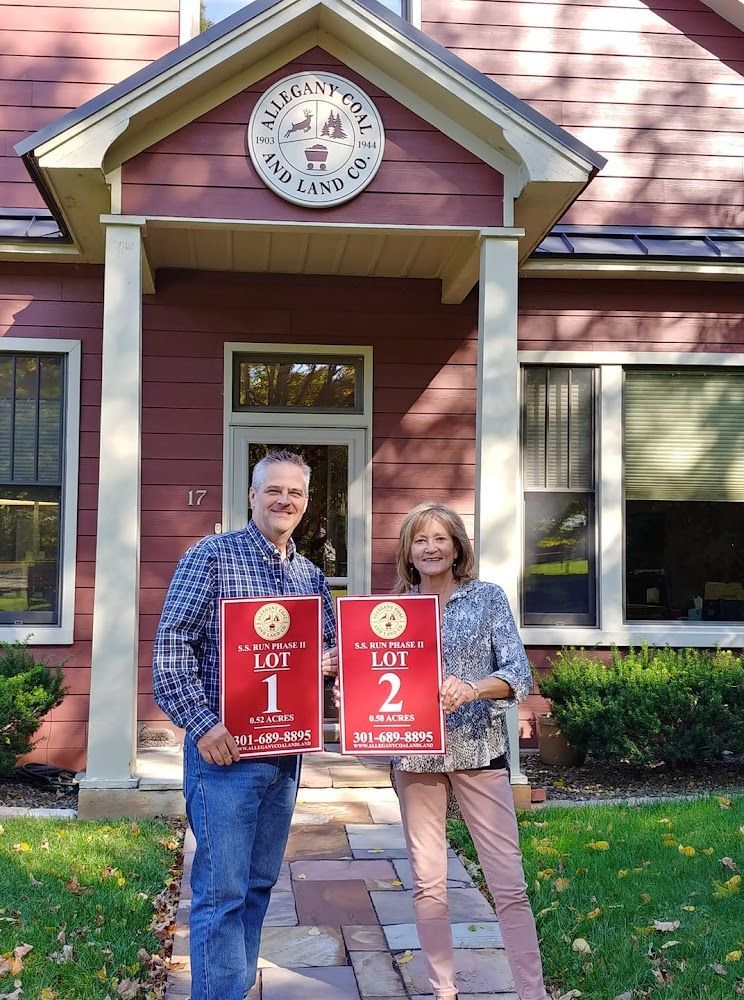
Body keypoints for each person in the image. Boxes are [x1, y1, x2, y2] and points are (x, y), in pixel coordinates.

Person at [152, 450, 337, 1000]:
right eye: (274, 490)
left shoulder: (310, 574)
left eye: (296, 493)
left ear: (306, 504)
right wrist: (202, 725)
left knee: (257, 887)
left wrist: (333, 663)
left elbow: (330, 647)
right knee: (221, 892)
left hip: (285, 755)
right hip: (225, 756)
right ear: (252, 495)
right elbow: (171, 648)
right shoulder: (210, 557)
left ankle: (232, 988)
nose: (285, 501)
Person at [390, 501, 549, 1000]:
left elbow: (519, 674)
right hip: (415, 758)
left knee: (508, 884)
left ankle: (532, 992)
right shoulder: (392, 609)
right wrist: (349, 696)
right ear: (409, 553)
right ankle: (443, 990)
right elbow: (373, 678)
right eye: (420, 540)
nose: (431, 547)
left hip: (479, 752)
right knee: (428, 881)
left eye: (440, 538)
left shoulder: (486, 599)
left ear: (457, 546)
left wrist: (475, 688)